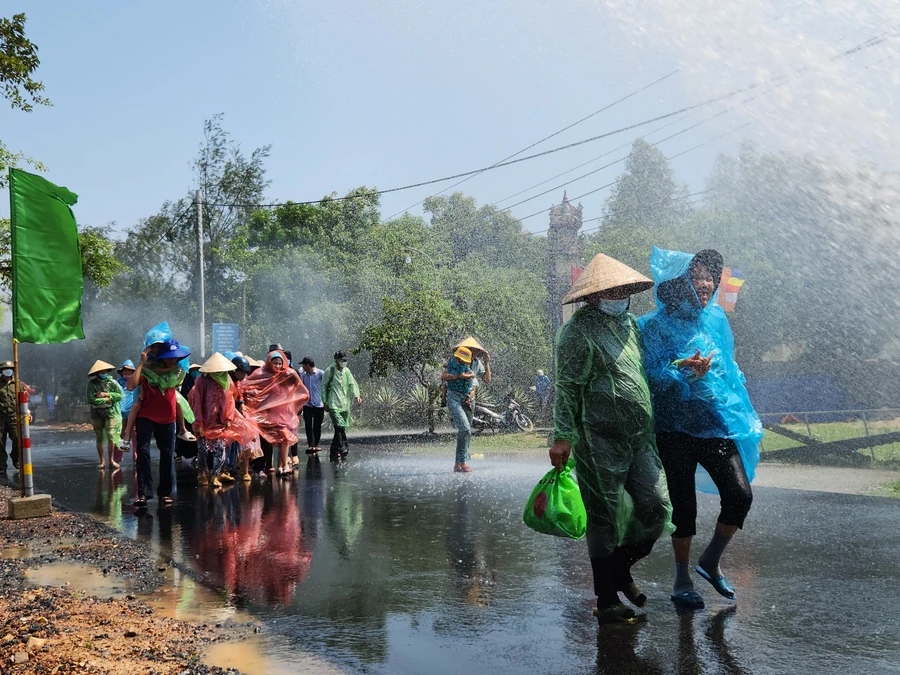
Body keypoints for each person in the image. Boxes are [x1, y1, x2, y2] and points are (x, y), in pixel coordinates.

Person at [549, 252, 673, 624]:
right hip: (598, 437)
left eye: (624, 289)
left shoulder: (630, 324)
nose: (621, 295)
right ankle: (606, 599)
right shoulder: (577, 332)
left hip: (639, 437)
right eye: (613, 290)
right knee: (602, 516)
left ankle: (619, 569)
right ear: (595, 295)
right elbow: (567, 388)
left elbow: (643, 369)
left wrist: (684, 367)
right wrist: (562, 436)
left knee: (656, 506)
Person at [638, 247, 761, 610]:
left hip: (715, 423)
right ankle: (681, 577)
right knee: (683, 507)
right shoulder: (653, 326)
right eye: (697, 277)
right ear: (678, 282)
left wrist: (738, 402)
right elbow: (651, 377)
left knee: (740, 495)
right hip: (674, 428)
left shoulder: (717, 319)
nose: (707, 284)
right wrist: (683, 370)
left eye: (710, 277)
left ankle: (710, 560)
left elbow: (729, 367)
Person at [126, 338, 192, 508]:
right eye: (168, 356)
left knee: (167, 455)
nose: (171, 360)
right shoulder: (147, 370)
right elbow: (131, 386)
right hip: (146, 415)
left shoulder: (177, 372)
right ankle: (143, 493)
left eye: (174, 357)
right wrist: (141, 362)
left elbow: (173, 380)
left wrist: (164, 369)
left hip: (168, 416)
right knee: (143, 452)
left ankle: (165, 493)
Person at [189, 353, 258, 489]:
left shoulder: (226, 380)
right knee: (202, 449)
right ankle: (202, 472)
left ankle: (215, 476)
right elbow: (197, 402)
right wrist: (199, 423)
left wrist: (227, 418)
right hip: (203, 420)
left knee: (220, 449)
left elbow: (229, 401)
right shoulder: (202, 381)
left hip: (219, 421)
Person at [242, 350, 309, 477]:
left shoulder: (286, 374)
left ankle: (281, 466)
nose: (278, 366)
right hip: (268, 415)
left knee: (283, 439)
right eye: (275, 363)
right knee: (273, 441)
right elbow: (248, 385)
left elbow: (297, 387)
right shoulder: (261, 373)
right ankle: (274, 466)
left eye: (280, 363)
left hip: (284, 414)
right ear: (269, 362)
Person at [442, 346, 478, 473]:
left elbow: (474, 376)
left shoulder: (471, 363)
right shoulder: (450, 363)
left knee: (465, 432)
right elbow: (444, 376)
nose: (462, 362)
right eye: (460, 359)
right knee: (465, 429)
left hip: (467, 398)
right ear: (457, 356)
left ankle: (459, 463)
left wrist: (471, 375)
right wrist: (459, 376)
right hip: (454, 397)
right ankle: (462, 461)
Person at [322, 351, 361, 462]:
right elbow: (324, 386)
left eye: (345, 360)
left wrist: (357, 395)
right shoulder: (330, 371)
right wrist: (324, 401)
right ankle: (344, 447)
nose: (344, 362)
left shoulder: (346, 371)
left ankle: (334, 450)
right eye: (342, 360)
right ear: (336, 360)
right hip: (333, 403)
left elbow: (352, 383)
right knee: (339, 425)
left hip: (344, 403)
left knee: (340, 427)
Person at [86, 360, 125, 470]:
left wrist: (108, 395)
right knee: (99, 437)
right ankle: (102, 461)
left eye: (105, 370)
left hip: (111, 413)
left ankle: (111, 460)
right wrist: (105, 400)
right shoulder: (92, 384)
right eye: (101, 371)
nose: (103, 372)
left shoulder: (112, 382)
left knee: (111, 435)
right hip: (96, 414)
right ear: (97, 372)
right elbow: (90, 399)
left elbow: (120, 395)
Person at [299, 357, 325, 455]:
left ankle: (316, 444)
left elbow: (326, 385)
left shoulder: (321, 373)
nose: (302, 367)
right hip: (307, 404)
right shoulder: (304, 375)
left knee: (317, 426)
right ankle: (310, 444)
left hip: (319, 404)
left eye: (303, 365)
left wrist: (326, 401)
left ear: (308, 365)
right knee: (308, 425)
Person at [0, 361, 19, 471]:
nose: (8, 370)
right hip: (1, 418)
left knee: (17, 438)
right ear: (1, 371)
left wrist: (28, 412)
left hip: (13, 417)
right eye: (6, 369)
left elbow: (24, 399)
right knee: (0, 441)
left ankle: (15, 458)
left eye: (10, 368)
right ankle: (1, 465)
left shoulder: (17, 384)